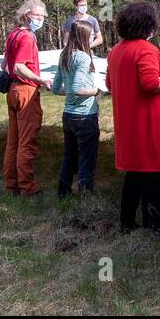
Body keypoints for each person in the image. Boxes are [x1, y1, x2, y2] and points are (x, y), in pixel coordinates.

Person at [107, 1, 160, 237]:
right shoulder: (145, 50)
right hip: (147, 122)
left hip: (128, 120)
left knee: (135, 173)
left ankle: (127, 222)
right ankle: (156, 226)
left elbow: (109, 83)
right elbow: (150, 83)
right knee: (152, 174)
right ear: (149, 25)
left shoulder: (116, 50)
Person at [3, 0, 51, 197]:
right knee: (26, 141)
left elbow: (4, 64)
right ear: (26, 15)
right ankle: (27, 187)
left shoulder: (13, 34)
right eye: (36, 15)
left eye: (42, 16)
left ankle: (11, 184)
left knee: (13, 141)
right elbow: (18, 67)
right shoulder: (27, 37)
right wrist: (40, 79)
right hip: (25, 90)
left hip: (13, 90)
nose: (40, 19)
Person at [52, 18, 100, 196]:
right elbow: (78, 89)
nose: (93, 37)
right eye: (91, 35)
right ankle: (86, 200)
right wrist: (97, 91)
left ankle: (63, 193)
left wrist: (72, 93)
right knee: (87, 159)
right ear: (83, 36)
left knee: (69, 157)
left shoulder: (65, 54)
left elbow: (56, 88)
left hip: (68, 116)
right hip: (85, 117)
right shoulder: (83, 57)